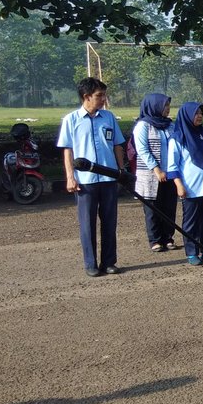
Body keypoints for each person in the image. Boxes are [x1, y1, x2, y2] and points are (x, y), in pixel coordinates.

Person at [58, 77, 126, 277]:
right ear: (86, 97)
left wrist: (121, 170)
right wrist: (70, 177)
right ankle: (90, 264)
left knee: (109, 222)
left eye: (104, 95)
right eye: (99, 96)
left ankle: (109, 262)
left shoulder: (109, 117)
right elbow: (68, 151)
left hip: (108, 179)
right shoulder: (71, 120)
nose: (103, 99)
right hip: (85, 182)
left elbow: (117, 145)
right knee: (87, 224)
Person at [167, 102, 203, 266]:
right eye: (195, 113)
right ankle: (191, 252)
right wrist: (179, 184)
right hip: (191, 186)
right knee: (191, 222)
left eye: (200, 113)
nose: (199, 116)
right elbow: (172, 165)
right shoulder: (178, 137)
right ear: (186, 115)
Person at [132, 93, 178, 252]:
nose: (167, 109)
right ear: (155, 106)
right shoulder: (143, 126)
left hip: (170, 174)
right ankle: (155, 240)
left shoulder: (170, 125)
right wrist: (157, 169)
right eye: (165, 106)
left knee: (169, 207)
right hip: (151, 175)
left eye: (168, 106)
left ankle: (168, 237)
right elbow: (142, 150)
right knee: (152, 208)